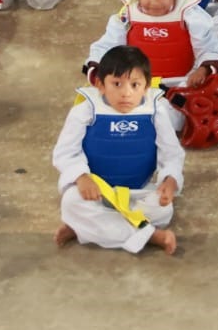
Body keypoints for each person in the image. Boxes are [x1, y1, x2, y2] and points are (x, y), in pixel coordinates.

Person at [52, 44, 183, 255]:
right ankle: (150, 235)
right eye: (117, 84)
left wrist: (170, 179)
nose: (126, 93)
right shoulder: (85, 110)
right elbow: (65, 152)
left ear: (147, 86)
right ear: (100, 85)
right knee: (71, 202)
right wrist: (81, 177)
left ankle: (84, 229)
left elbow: (172, 153)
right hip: (95, 189)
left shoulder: (155, 110)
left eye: (135, 85)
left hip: (138, 189)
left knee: (163, 209)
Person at [84, 0, 218, 96]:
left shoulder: (190, 15)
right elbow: (107, 46)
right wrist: (97, 68)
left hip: (182, 83)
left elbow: (209, 47)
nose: (155, 2)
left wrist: (203, 69)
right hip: (136, 85)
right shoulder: (126, 15)